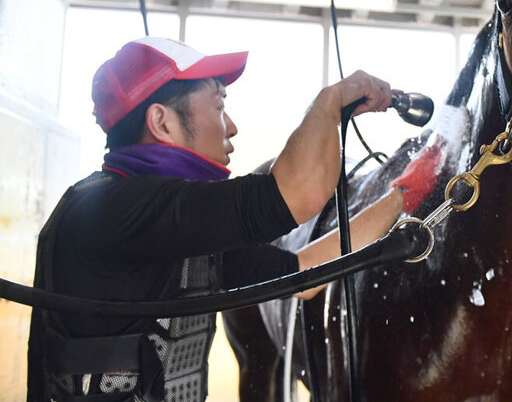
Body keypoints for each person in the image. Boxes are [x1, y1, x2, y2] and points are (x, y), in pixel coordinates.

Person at [26, 37, 430, 402]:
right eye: (219, 105)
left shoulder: (177, 230)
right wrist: (331, 101)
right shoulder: (111, 209)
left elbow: (305, 273)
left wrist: (404, 194)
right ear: (162, 122)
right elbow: (299, 193)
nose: (232, 127)